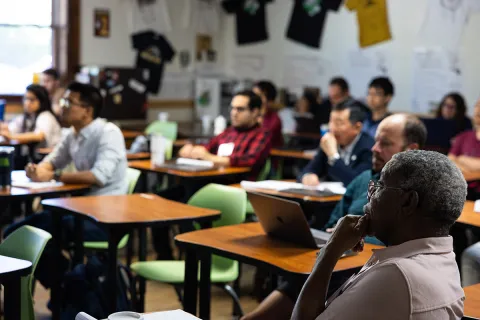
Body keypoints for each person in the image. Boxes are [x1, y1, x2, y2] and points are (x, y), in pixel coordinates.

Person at [241, 114, 427, 320]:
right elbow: (334, 221)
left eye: (385, 144)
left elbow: (407, 243)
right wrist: (337, 235)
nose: (374, 149)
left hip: (374, 272)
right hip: (341, 260)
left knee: (318, 278)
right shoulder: (364, 178)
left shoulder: (414, 194)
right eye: (375, 141)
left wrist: (350, 239)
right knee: (305, 275)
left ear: (411, 150)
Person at [292, 150, 466, 320]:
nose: (370, 196)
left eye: (380, 186)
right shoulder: (443, 260)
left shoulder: (397, 275)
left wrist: (330, 251)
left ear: (408, 202)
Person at [4, 82, 128, 289]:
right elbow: (50, 162)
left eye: (69, 102)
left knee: (32, 237)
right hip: (79, 210)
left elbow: (98, 176)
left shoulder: (108, 132)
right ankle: (66, 284)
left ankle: (67, 286)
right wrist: (36, 170)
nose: (62, 106)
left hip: (104, 217)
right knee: (15, 233)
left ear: (87, 110)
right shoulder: (72, 134)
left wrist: (55, 175)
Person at [179, 90, 272, 178]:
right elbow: (209, 146)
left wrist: (210, 157)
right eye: (232, 108)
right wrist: (192, 149)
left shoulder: (262, 134)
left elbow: (249, 160)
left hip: (237, 184)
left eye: (240, 109)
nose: (233, 113)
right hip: (215, 177)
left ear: (254, 112)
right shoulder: (229, 132)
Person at [299, 101, 373, 186]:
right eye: (330, 121)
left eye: (338, 123)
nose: (332, 128)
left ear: (357, 127)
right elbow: (308, 169)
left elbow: (358, 183)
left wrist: (333, 156)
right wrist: (308, 176)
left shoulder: (369, 148)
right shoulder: (329, 143)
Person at [0, 84, 62, 167]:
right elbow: (10, 129)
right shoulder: (27, 117)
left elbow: (39, 136)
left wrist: (12, 137)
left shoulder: (46, 116)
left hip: (50, 161)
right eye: (26, 99)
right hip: (35, 161)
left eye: (32, 100)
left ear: (41, 101)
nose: (27, 103)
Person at [448, 98, 480, 200]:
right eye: (477, 104)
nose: (478, 109)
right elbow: (450, 163)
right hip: (461, 193)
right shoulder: (463, 136)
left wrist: (462, 159)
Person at [253, 80, 283, 147]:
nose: (253, 99)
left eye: (258, 96)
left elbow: (262, 139)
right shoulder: (252, 115)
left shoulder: (274, 120)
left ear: (269, 99)